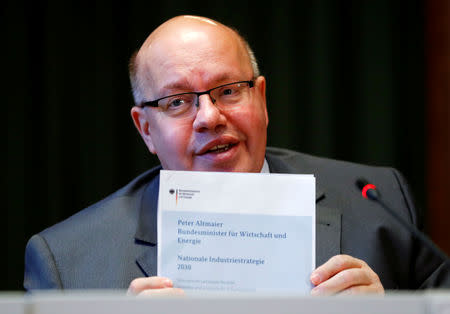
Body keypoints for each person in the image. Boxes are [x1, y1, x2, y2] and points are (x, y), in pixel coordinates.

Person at [24, 15, 449, 295]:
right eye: (177, 102)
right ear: (145, 129)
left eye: (228, 91)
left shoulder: (377, 207)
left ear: (261, 99)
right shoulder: (68, 264)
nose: (209, 117)